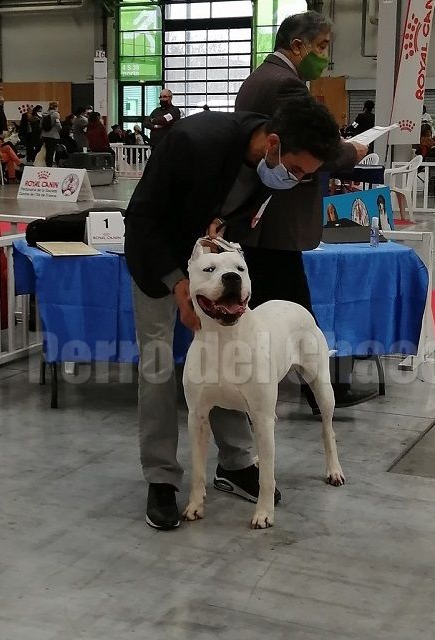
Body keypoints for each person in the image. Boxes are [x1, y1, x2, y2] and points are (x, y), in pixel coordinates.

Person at [124, 96, 341, 530]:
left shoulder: (268, 167)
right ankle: (163, 478)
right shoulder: (192, 141)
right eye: (295, 171)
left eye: (305, 177)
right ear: (273, 144)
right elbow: (142, 220)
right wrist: (179, 284)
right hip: (157, 261)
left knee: (232, 360)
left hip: (210, 267)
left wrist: (219, 241)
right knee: (158, 365)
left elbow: (239, 217)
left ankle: (238, 461)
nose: (294, 180)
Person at [234, 10, 372, 409]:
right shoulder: (287, 86)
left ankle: (299, 388)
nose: (326, 58)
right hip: (277, 216)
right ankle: (322, 393)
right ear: (298, 45)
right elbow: (308, 147)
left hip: (261, 216)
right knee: (298, 314)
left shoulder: (256, 79)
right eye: (323, 47)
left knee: (269, 311)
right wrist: (351, 151)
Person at [40, 101, 61, 167]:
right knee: (51, 151)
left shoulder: (44, 114)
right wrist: (60, 128)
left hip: (44, 135)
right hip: (53, 135)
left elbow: (40, 125)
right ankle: (50, 165)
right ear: (56, 107)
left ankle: (47, 164)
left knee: (47, 150)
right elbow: (58, 125)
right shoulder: (56, 114)